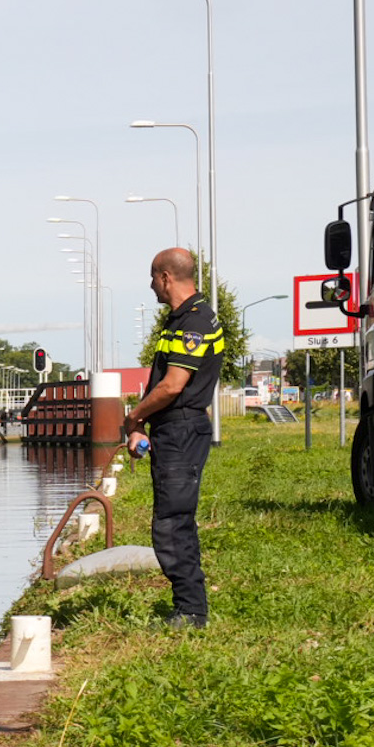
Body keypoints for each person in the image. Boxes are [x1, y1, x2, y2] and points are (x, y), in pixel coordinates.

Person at [125, 247, 223, 630]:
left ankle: (191, 611)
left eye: (153, 278)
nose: (151, 286)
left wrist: (134, 416)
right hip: (176, 429)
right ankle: (188, 606)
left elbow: (172, 385)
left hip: (181, 430)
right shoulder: (181, 320)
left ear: (166, 276)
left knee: (172, 521)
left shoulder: (194, 323)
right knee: (174, 518)